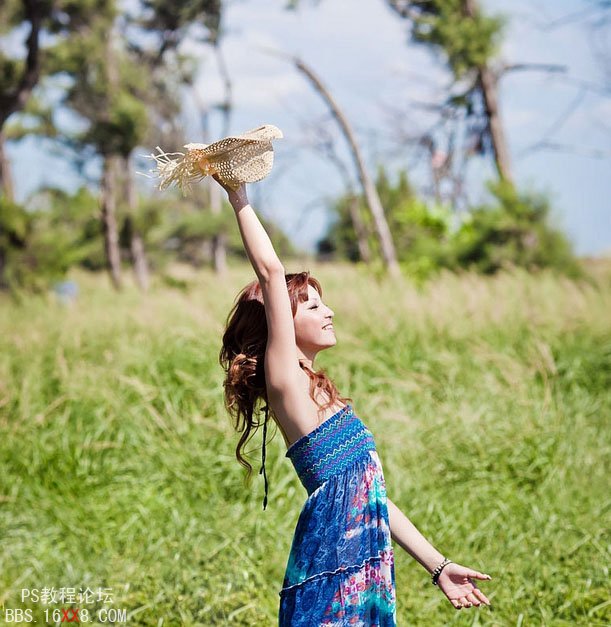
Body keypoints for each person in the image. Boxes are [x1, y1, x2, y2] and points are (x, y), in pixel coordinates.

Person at [215, 177, 493, 625]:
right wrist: (237, 193)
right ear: (281, 323)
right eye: (311, 307)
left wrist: (438, 565)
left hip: (366, 557)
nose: (328, 312)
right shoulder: (284, 377)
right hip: (333, 560)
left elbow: (373, 497)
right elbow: (269, 270)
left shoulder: (322, 392)